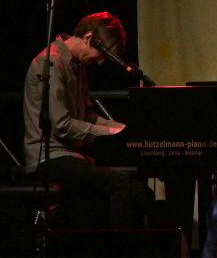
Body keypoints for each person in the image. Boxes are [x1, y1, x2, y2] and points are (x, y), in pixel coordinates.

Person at [23, 11, 152, 228]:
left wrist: (123, 129)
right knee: (118, 181)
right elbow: (62, 126)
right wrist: (111, 134)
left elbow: (87, 115)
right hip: (49, 157)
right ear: (89, 38)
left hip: (74, 156)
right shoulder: (51, 64)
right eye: (101, 55)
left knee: (141, 194)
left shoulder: (77, 65)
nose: (100, 63)